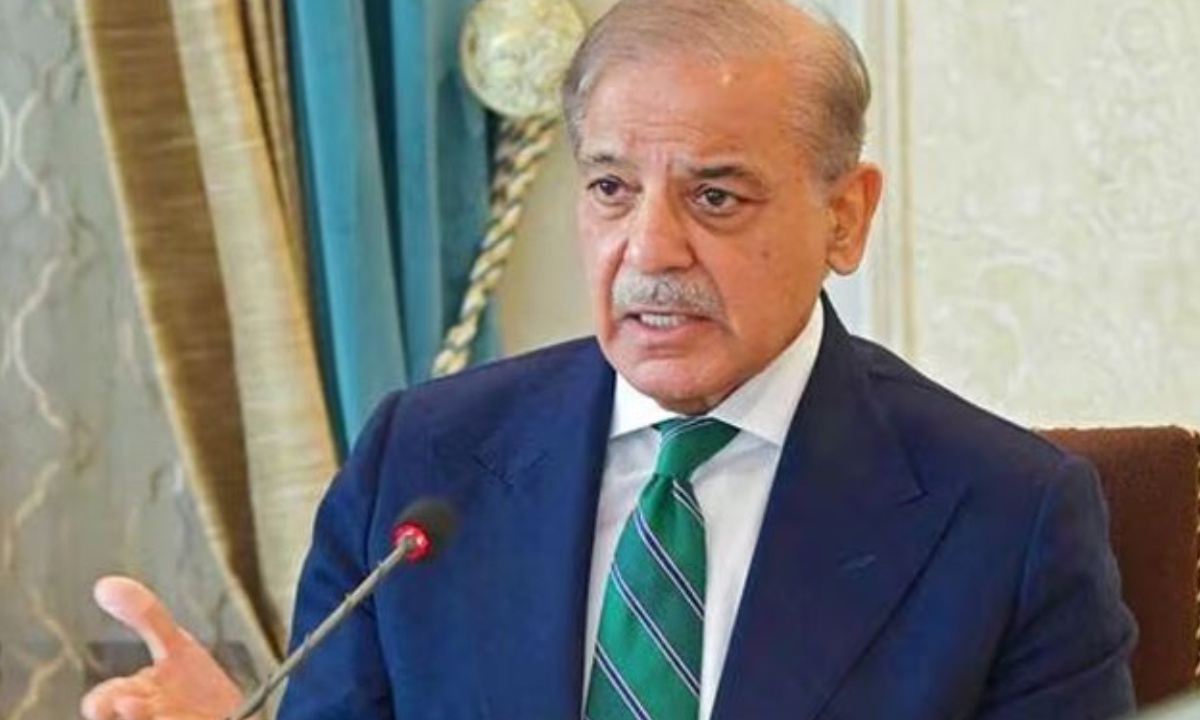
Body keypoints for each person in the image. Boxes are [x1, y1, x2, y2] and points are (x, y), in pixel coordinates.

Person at [81, 0, 1137, 718]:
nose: (649, 250)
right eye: (610, 189)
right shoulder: (423, 460)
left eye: (715, 195)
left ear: (845, 218)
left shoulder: (1007, 515)